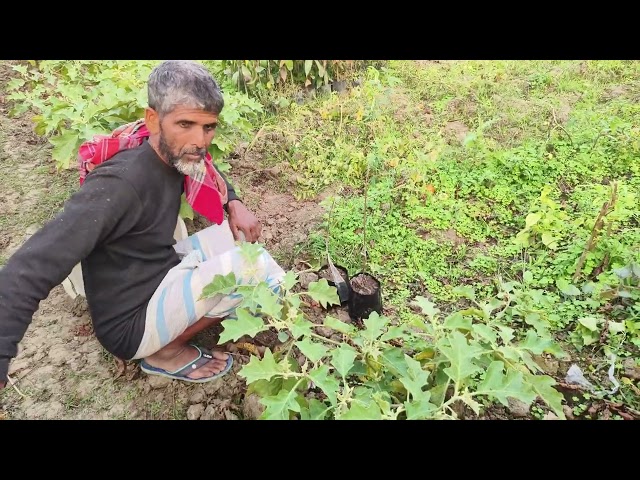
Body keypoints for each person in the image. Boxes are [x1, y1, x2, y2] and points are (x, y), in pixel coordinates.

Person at [0, 60, 286, 390]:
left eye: (208, 127)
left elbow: (206, 165)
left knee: (240, 241)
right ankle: (165, 351)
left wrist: (233, 201)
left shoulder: (172, 152)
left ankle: (202, 308)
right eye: (186, 124)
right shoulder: (119, 184)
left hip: (154, 270)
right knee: (254, 266)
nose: (199, 140)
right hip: (129, 321)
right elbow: (32, 265)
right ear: (153, 119)